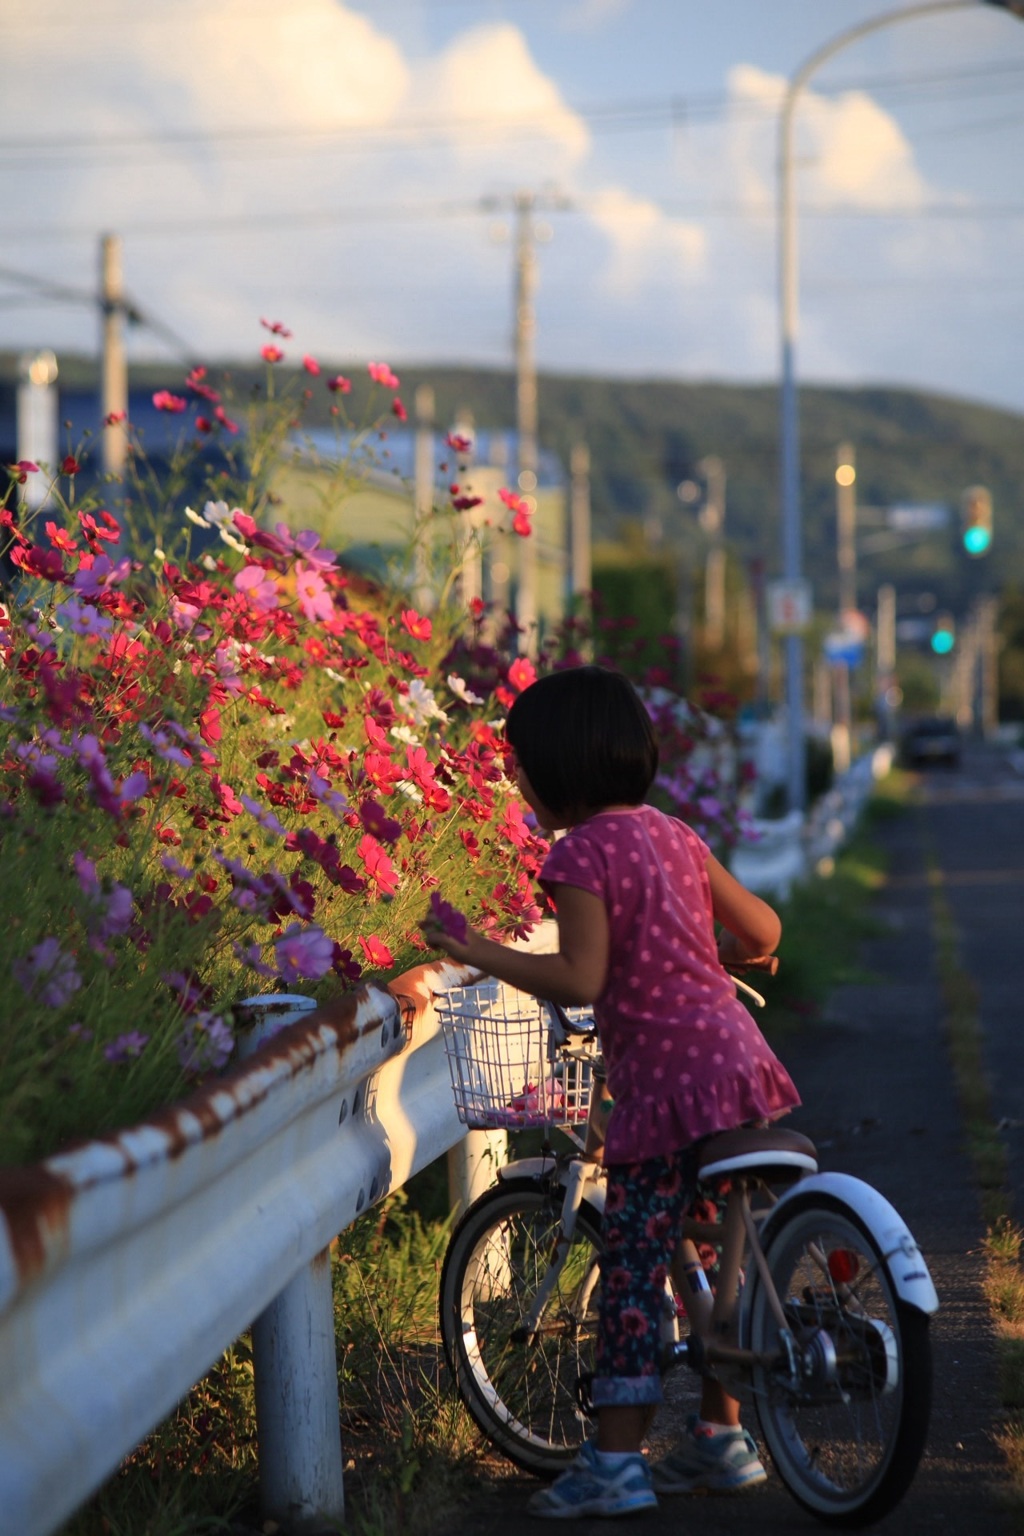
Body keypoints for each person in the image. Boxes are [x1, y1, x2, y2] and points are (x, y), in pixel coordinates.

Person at [422, 664, 799, 1519]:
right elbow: (766, 930)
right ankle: (720, 1440)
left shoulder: (579, 853)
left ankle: (618, 1466)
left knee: (632, 1267)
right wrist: (716, 958)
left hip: (665, 1086)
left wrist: (476, 949)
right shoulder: (674, 834)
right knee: (715, 1250)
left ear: (556, 769)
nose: (517, 784)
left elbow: (581, 975)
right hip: (739, 1069)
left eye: (519, 768)